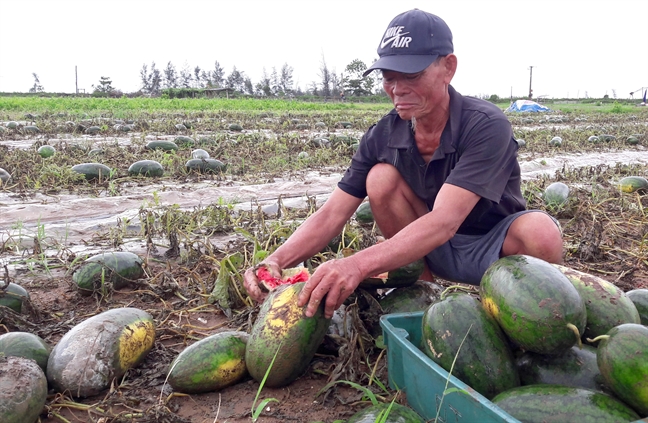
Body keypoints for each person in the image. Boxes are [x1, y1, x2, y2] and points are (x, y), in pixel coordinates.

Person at [243, 9, 563, 320]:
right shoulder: (381, 135)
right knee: (380, 178)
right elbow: (331, 214)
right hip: (425, 249)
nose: (397, 90)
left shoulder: (485, 124)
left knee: (541, 232)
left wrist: (356, 264)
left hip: (492, 247)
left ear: (448, 68)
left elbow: (445, 221)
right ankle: (425, 298)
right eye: (388, 78)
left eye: (411, 75)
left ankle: (525, 314)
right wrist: (276, 259)